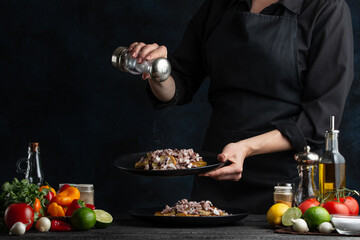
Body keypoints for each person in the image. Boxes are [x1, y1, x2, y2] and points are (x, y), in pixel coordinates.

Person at [126, 0, 354, 213]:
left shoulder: (326, 8)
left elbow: (319, 121)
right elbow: (179, 86)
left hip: (285, 189)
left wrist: (246, 148)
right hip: (216, 176)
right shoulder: (220, 5)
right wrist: (159, 72)